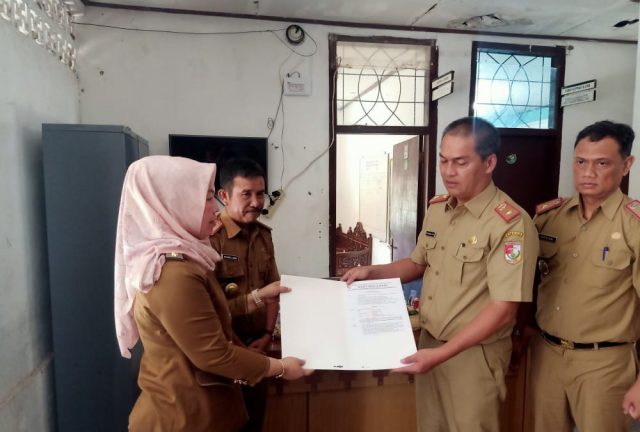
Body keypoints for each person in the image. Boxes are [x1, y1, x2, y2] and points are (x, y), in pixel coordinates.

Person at [342, 116, 538, 432]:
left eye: (461, 162)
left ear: (489, 163)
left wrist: (442, 354)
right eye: (444, 161)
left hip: (474, 356)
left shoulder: (510, 223)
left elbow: (504, 309)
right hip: (430, 343)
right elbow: (417, 263)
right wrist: (372, 272)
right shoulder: (439, 209)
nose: (448, 171)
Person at [114, 156, 312, 432]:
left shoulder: (188, 258)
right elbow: (213, 353)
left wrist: (266, 337)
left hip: (212, 399)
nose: (214, 208)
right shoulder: (172, 273)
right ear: (174, 201)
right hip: (183, 415)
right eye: (207, 199)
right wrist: (281, 367)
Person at [530, 120, 639, 432]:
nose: (588, 172)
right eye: (581, 162)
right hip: (547, 354)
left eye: (601, 163)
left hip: (604, 363)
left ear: (626, 165)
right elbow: (522, 280)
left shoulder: (634, 225)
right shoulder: (548, 217)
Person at [209, 158, 279, 431]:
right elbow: (209, 307)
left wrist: (267, 335)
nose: (256, 202)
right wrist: (238, 346)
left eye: (260, 194)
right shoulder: (211, 238)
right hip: (223, 352)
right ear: (224, 196)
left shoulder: (263, 235)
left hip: (258, 348)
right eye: (246, 194)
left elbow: (274, 289)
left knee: (254, 422)